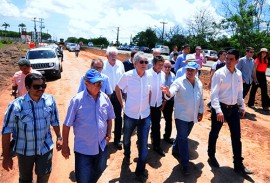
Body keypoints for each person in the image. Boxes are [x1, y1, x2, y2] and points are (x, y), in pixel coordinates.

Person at [2, 73, 62, 183]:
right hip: (25, 150)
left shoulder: (50, 101)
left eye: (43, 86)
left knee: (45, 174)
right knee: (25, 179)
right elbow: (6, 131)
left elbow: (55, 121)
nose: (40, 89)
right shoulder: (16, 106)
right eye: (36, 86)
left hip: (45, 147)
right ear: (27, 87)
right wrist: (6, 156)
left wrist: (59, 137)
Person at [62, 69, 114, 183]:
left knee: (100, 169)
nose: (99, 85)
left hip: (101, 146)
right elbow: (66, 125)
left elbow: (110, 118)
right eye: (95, 83)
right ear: (86, 83)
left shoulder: (105, 98)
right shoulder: (77, 100)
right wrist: (65, 145)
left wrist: (109, 135)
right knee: (83, 179)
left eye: (100, 83)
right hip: (83, 150)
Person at [207, 49, 253, 174]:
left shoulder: (238, 74)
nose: (228, 61)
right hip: (220, 108)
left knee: (236, 137)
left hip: (233, 110)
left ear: (237, 60)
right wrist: (217, 110)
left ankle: (238, 164)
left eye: (231, 59)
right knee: (214, 133)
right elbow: (214, 94)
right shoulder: (219, 74)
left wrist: (242, 107)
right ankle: (211, 156)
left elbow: (239, 93)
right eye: (227, 58)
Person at [161, 61, 204, 175]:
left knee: (183, 136)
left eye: (192, 70)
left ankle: (175, 149)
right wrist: (167, 93)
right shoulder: (179, 81)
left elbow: (201, 98)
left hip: (192, 116)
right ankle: (185, 164)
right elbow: (171, 91)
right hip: (181, 116)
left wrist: (201, 111)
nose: (189, 72)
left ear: (196, 71)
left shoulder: (199, 83)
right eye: (188, 69)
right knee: (184, 138)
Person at [115, 52, 151, 182]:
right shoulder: (128, 76)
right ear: (135, 63)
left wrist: (148, 106)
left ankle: (139, 172)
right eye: (141, 62)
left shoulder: (149, 76)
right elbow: (117, 89)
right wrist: (122, 104)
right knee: (126, 140)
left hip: (145, 116)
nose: (144, 64)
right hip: (130, 115)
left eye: (146, 62)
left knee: (143, 145)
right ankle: (127, 154)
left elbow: (150, 91)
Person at [102, 46, 125, 150]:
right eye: (111, 55)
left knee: (118, 117)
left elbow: (124, 79)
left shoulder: (120, 64)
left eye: (115, 55)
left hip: (118, 94)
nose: (114, 57)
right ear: (107, 56)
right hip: (105, 94)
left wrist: (124, 93)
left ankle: (117, 140)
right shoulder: (102, 65)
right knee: (104, 117)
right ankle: (104, 139)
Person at [147, 55, 166, 156]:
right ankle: (142, 146)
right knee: (144, 126)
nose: (161, 67)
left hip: (157, 105)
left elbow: (162, 90)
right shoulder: (147, 74)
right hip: (147, 105)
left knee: (156, 126)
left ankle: (156, 145)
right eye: (159, 65)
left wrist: (163, 102)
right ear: (154, 64)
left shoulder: (162, 74)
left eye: (162, 65)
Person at [162, 60, 175, 144]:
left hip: (169, 101)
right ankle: (154, 136)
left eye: (169, 67)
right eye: (165, 66)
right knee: (155, 120)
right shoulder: (159, 75)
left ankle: (167, 136)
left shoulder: (173, 76)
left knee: (169, 120)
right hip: (158, 101)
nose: (167, 68)